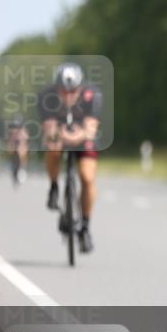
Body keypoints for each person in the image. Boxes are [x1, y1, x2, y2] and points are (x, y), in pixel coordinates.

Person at [38, 63, 102, 253]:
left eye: (73, 90)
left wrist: (76, 137)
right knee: (53, 147)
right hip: (59, 135)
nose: (68, 95)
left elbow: (91, 128)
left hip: (82, 136)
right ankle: (54, 186)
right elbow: (49, 131)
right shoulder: (46, 97)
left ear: (80, 87)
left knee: (87, 177)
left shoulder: (92, 96)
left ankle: (85, 225)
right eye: (63, 91)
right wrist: (60, 136)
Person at [6, 114, 29, 184]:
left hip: (21, 150)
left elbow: (25, 140)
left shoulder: (23, 131)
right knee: (14, 163)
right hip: (14, 150)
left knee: (21, 163)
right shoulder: (13, 132)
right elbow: (10, 141)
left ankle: (20, 173)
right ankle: (14, 175)